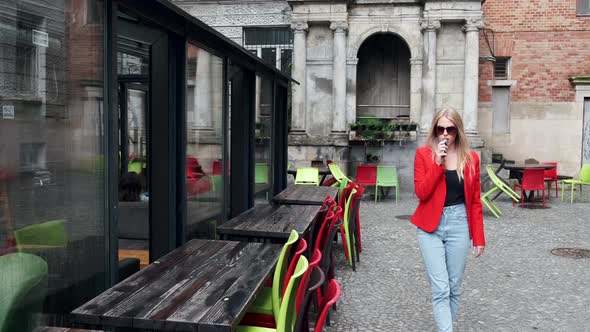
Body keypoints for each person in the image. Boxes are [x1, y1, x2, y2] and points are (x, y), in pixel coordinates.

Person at [411, 107, 485, 332]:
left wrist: (478, 237)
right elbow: (422, 193)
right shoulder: (424, 154)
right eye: (440, 128)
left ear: (458, 131)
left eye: (450, 129)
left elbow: (474, 201)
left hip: (459, 223)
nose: (445, 133)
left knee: (454, 287)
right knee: (441, 287)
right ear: (434, 129)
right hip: (430, 226)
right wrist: (437, 163)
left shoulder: (471, 158)